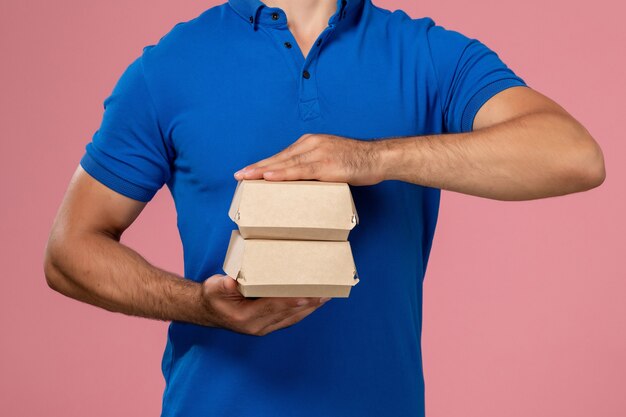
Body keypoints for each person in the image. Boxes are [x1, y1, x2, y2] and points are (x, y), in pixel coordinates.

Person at [43, 0, 605, 416]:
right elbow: (70, 250)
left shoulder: (427, 54)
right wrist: (198, 305)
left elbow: (573, 155)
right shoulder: (169, 68)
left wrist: (372, 158)